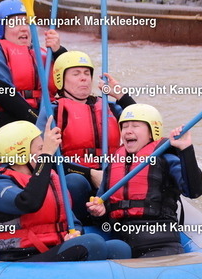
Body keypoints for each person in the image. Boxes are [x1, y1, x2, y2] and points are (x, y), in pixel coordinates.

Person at [0, 119, 131, 262]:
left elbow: (72, 221)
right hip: (23, 259)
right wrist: (45, 157)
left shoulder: (50, 177)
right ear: (20, 154)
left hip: (55, 250)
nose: (47, 153)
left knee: (119, 248)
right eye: (41, 149)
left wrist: (76, 233)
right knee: (94, 243)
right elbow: (29, 202)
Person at [87, 104, 202, 258]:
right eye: (124, 127)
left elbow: (194, 191)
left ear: (152, 132)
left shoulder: (166, 157)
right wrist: (99, 212)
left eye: (135, 126)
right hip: (122, 242)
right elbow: (103, 208)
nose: (128, 131)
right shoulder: (115, 161)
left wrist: (186, 150)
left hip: (159, 244)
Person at [36, 51, 135, 219]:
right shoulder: (53, 111)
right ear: (60, 79)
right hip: (77, 177)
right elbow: (42, 157)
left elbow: (142, 126)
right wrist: (89, 173)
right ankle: (80, 223)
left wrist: (121, 96)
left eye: (87, 73)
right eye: (76, 74)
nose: (84, 78)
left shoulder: (109, 106)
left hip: (111, 173)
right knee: (75, 181)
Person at [0, 0, 66, 126]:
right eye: (15, 23)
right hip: (11, 120)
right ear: (0, 27)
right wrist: (38, 122)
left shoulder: (43, 53)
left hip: (46, 118)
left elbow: (72, 82)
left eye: (26, 22)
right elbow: (4, 94)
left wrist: (59, 51)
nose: (24, 28)